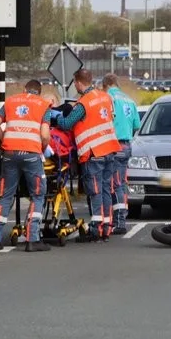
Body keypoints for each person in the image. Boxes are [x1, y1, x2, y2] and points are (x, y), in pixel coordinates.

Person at [56, 68, 121, 242]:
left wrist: (55, 117)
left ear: (78, 83)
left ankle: (96, 229)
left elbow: (67, 124)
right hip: (110, 149)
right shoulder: (105, 97)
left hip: (94, 153)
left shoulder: (83, 104)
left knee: (95, 192)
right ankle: (107, 227)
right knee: (107, 190)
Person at [0, 79, 53, 252]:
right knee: (37, 195)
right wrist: (42, 149)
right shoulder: (44, 105)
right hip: (32, 154)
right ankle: (32, 239)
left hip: (9, 153)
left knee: (6, 196)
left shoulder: (10, 101)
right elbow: (45, 135)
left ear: (25, 89)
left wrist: (5, 140)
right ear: (39, 92)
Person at [102, 73, 141, 235]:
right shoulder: (129, 99)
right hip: (126, 146)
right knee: (122, 183)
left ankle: (119, 222)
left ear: (105, 85)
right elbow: (136, 125)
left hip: (114, 145)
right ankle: (120, 219)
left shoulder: (108, 98)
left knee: (114, 184)